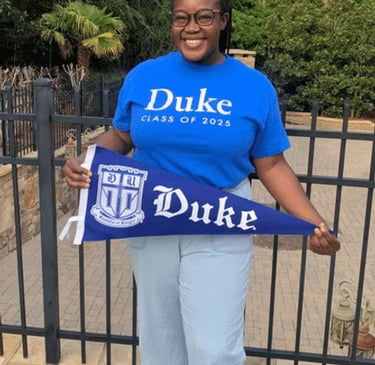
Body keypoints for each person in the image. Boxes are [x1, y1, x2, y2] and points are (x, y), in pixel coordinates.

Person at [63, 0, 341, 364]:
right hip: (151, 220)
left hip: (220, 222)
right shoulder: (144, 77)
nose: (191, 26)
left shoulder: (254, 87)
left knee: (214, 348)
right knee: (160, 339)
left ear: (222, 21)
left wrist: (313, 223)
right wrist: (88, 159)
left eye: (204, 16)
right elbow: (121, 136)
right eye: (182, 17)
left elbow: (271, 164)